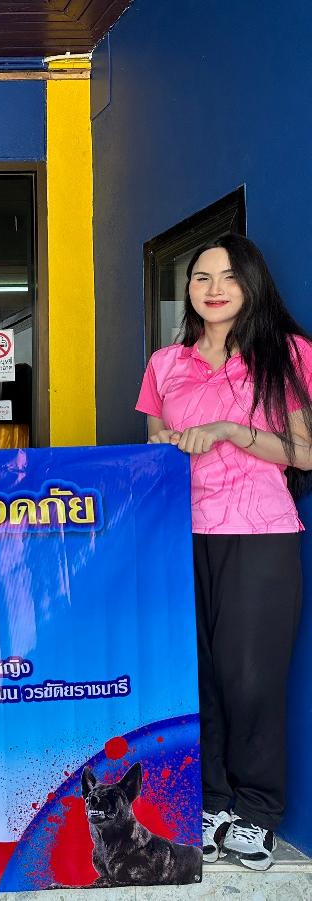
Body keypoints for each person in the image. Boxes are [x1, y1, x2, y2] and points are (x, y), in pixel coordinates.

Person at [136, 234, 312, 872]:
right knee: (197, 674)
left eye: (229, 276)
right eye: (201, 277)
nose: (214, 289)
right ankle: (209, 803)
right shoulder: (165, 363)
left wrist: (235, 432)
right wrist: (165, 443)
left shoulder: (287, 354)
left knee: (251, 678)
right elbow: (154, 444)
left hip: (260, 533)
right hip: (180, 534)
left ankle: (257, 810)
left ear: (251, 284)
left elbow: (305, 453)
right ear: (187, 289)